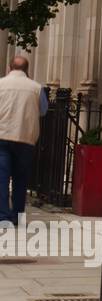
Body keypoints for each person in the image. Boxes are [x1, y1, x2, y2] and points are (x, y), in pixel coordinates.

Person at [0, 56, 47, 225]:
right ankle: (17, 216)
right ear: (27, 69)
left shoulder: (1, 84)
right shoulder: (36, 88)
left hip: (2, 136)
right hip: (25, 137)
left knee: (2, 179)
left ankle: (3, 217)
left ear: (9, 67)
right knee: (21, 180)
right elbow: (43, 110)